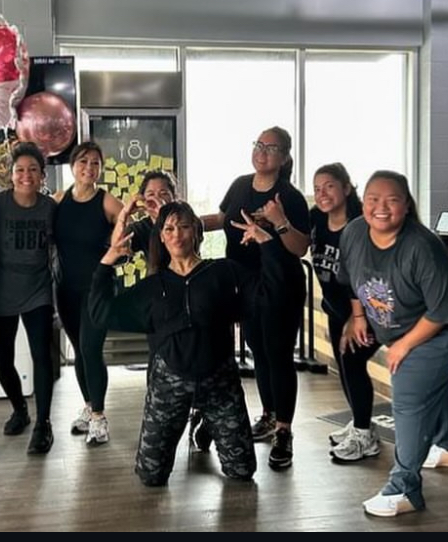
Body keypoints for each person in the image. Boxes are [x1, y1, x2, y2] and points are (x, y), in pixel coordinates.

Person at [89, 201, 291, 486]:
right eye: (169, 229)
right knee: (151, 476)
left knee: (242, 470)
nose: (177, 235)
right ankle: (200, 423)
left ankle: (207, 422)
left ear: (196, 231)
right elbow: (100, 312)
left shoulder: (223, 272)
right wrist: (107, 261)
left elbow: (272, 295)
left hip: (219, 383)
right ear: (161, 236)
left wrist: (267, 243)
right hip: (169, 384)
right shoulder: (153, 286)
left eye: (184, 226)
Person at [337, 170, 448, 517]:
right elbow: (352, 279)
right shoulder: (354, 233)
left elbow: (441, 311)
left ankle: (404, 489)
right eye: (373, 199)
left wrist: (403, 346)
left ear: (406, 205)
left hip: (447, 323)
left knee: (409, 392)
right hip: (409, 322)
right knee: (431, 379)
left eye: (392, 200)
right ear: (362, 201)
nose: (381, 207)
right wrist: (358, 317)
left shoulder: (422, 247)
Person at [201, 126, 310, 470]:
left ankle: (284, 431)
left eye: (271, 148)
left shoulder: (289, 196)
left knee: (278, 355)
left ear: (285, 157)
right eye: (258, 145)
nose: (262, 152)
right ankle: (268, 415)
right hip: (244, 284)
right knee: (259, 352)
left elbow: (301, 247)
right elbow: (222, 219)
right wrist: (181, 221)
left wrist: (278, 223)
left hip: (280, 285)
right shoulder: (239, 185)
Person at [115, 170, 212, 452]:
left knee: (200, 360)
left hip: (193, 299)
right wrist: (124, 215)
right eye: (150, 195)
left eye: (163, 194)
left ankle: (205, 416)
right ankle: (158, 425)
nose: (156, 199)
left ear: (174, 196)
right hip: (160, 303)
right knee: (159, 359)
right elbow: (118, 249)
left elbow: (188, 252)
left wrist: (166, 219)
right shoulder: (143, 227)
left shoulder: (187, 221)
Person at [0, 141, 58, 455]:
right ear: (11, 174)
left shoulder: (50, 208)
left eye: (32, 170)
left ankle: (43, 424)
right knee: (3, 360)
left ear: (42, 175)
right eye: (20, 170)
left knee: (42, 355)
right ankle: (20, 409)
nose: (26, 175)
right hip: (1, 289)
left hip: (38, 289)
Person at [309, 163, 381, 463]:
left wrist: (357, 317)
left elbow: (367, 274)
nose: (322, 194)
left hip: (367, 311)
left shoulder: (360, 224)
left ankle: (364, 436)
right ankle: (360, 423)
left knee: (352, 362)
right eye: (317, 188)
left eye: (329, 186)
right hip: (337, 309)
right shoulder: (316, 218)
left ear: (347, 188)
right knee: (345, 365)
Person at [53, 141, 123, 445]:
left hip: (97, 289)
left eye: (95, 163)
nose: (89, 168)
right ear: (72, 166)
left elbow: (131, 230)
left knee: (91, 349)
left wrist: (117, 249)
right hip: (65, 288)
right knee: (79, 351)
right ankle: (89, 405)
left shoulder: (107, 202)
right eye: (83, 161)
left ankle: (99, 418)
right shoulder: (58, 200)